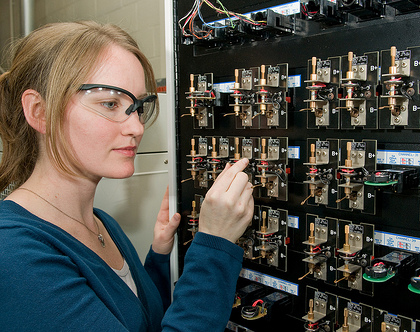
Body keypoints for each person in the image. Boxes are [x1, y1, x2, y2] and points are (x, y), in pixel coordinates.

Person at [0, 21, 254, 331]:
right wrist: (215, 244)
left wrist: (159, 257)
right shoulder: (13, 252)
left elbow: (139, 320)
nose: (136, 128)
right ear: (39, 111)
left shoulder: (102, 223)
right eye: (110, 103)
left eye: (137, 107)